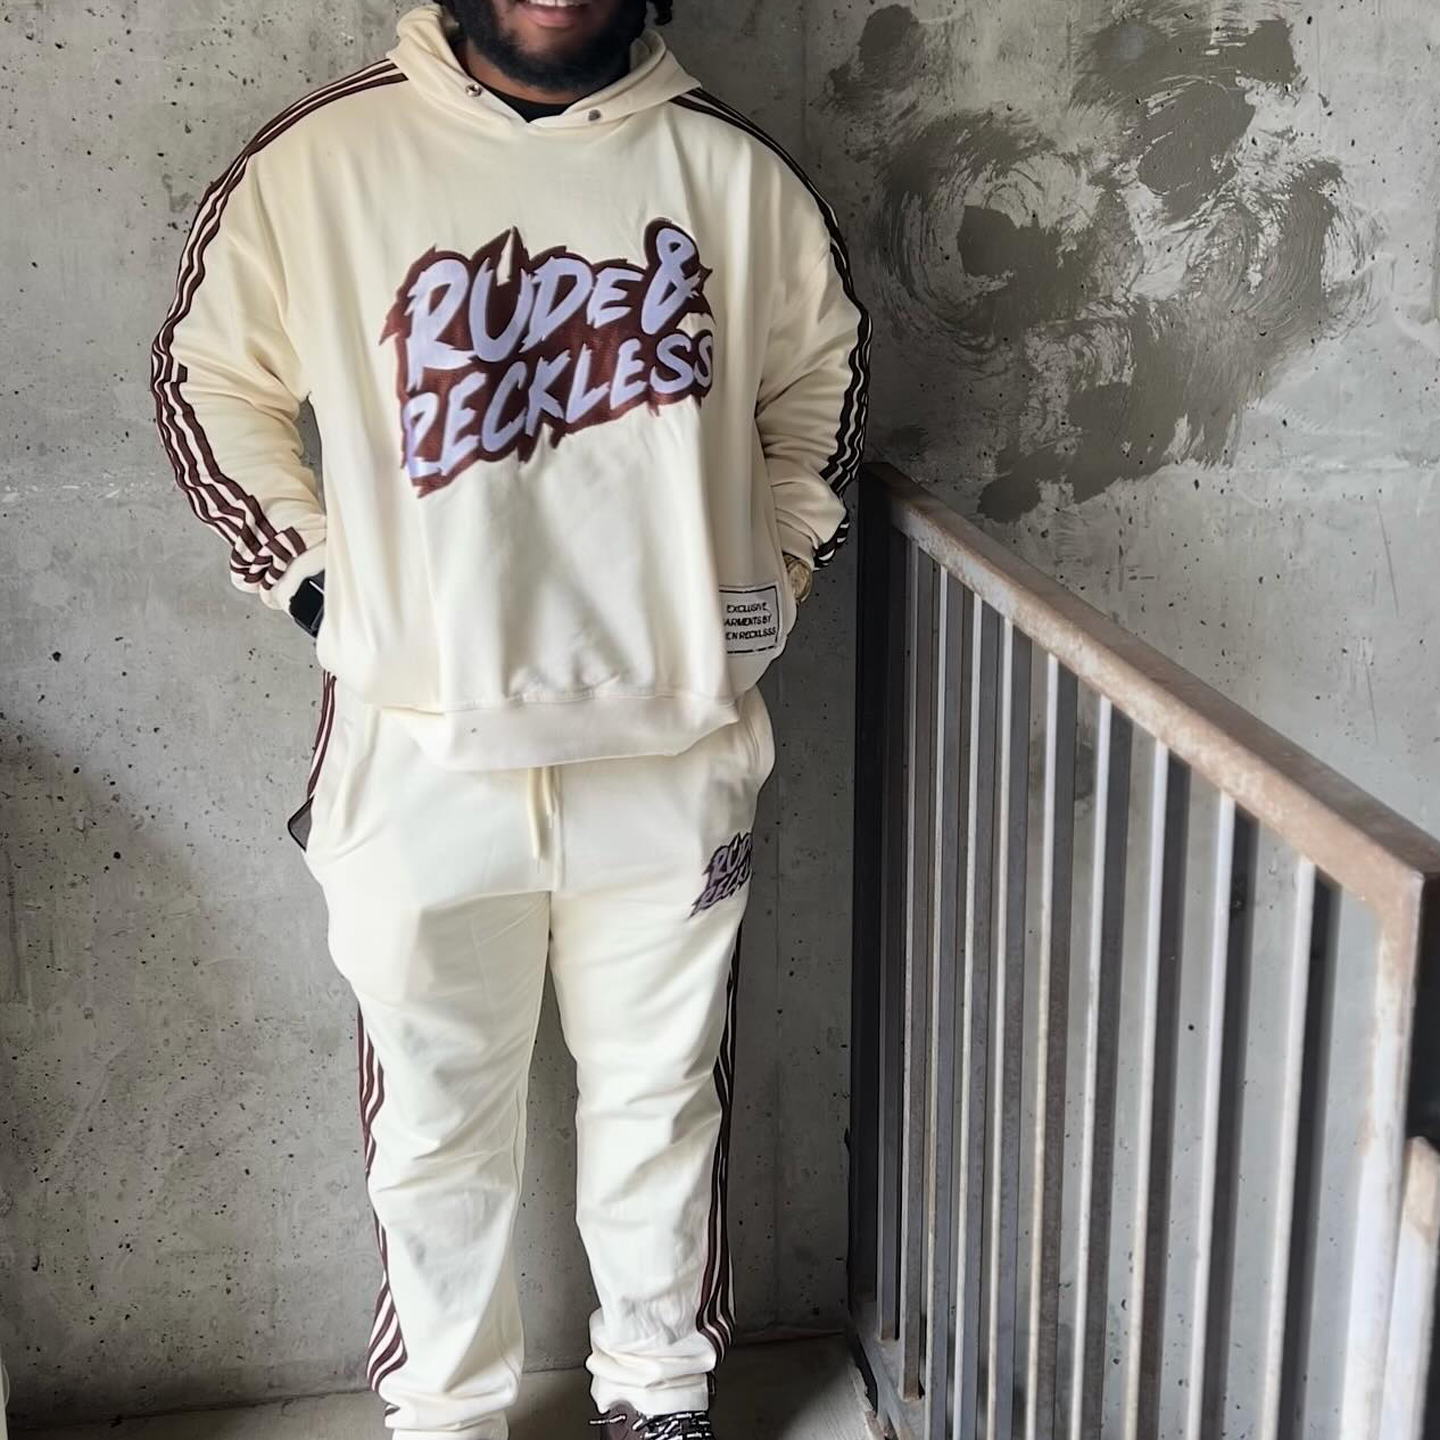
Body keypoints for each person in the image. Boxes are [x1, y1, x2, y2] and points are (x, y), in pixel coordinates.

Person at [149, 1, 870, 1436]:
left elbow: (820, 392)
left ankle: (658, 1394)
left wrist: (771, 581)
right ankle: (449, 1412)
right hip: (419, 746)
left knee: (662, 1099)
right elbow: (204, 384)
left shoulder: (733, 175)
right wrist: (317, 586)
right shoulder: (322, 159)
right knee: (432, 1122)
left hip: (672, 744)